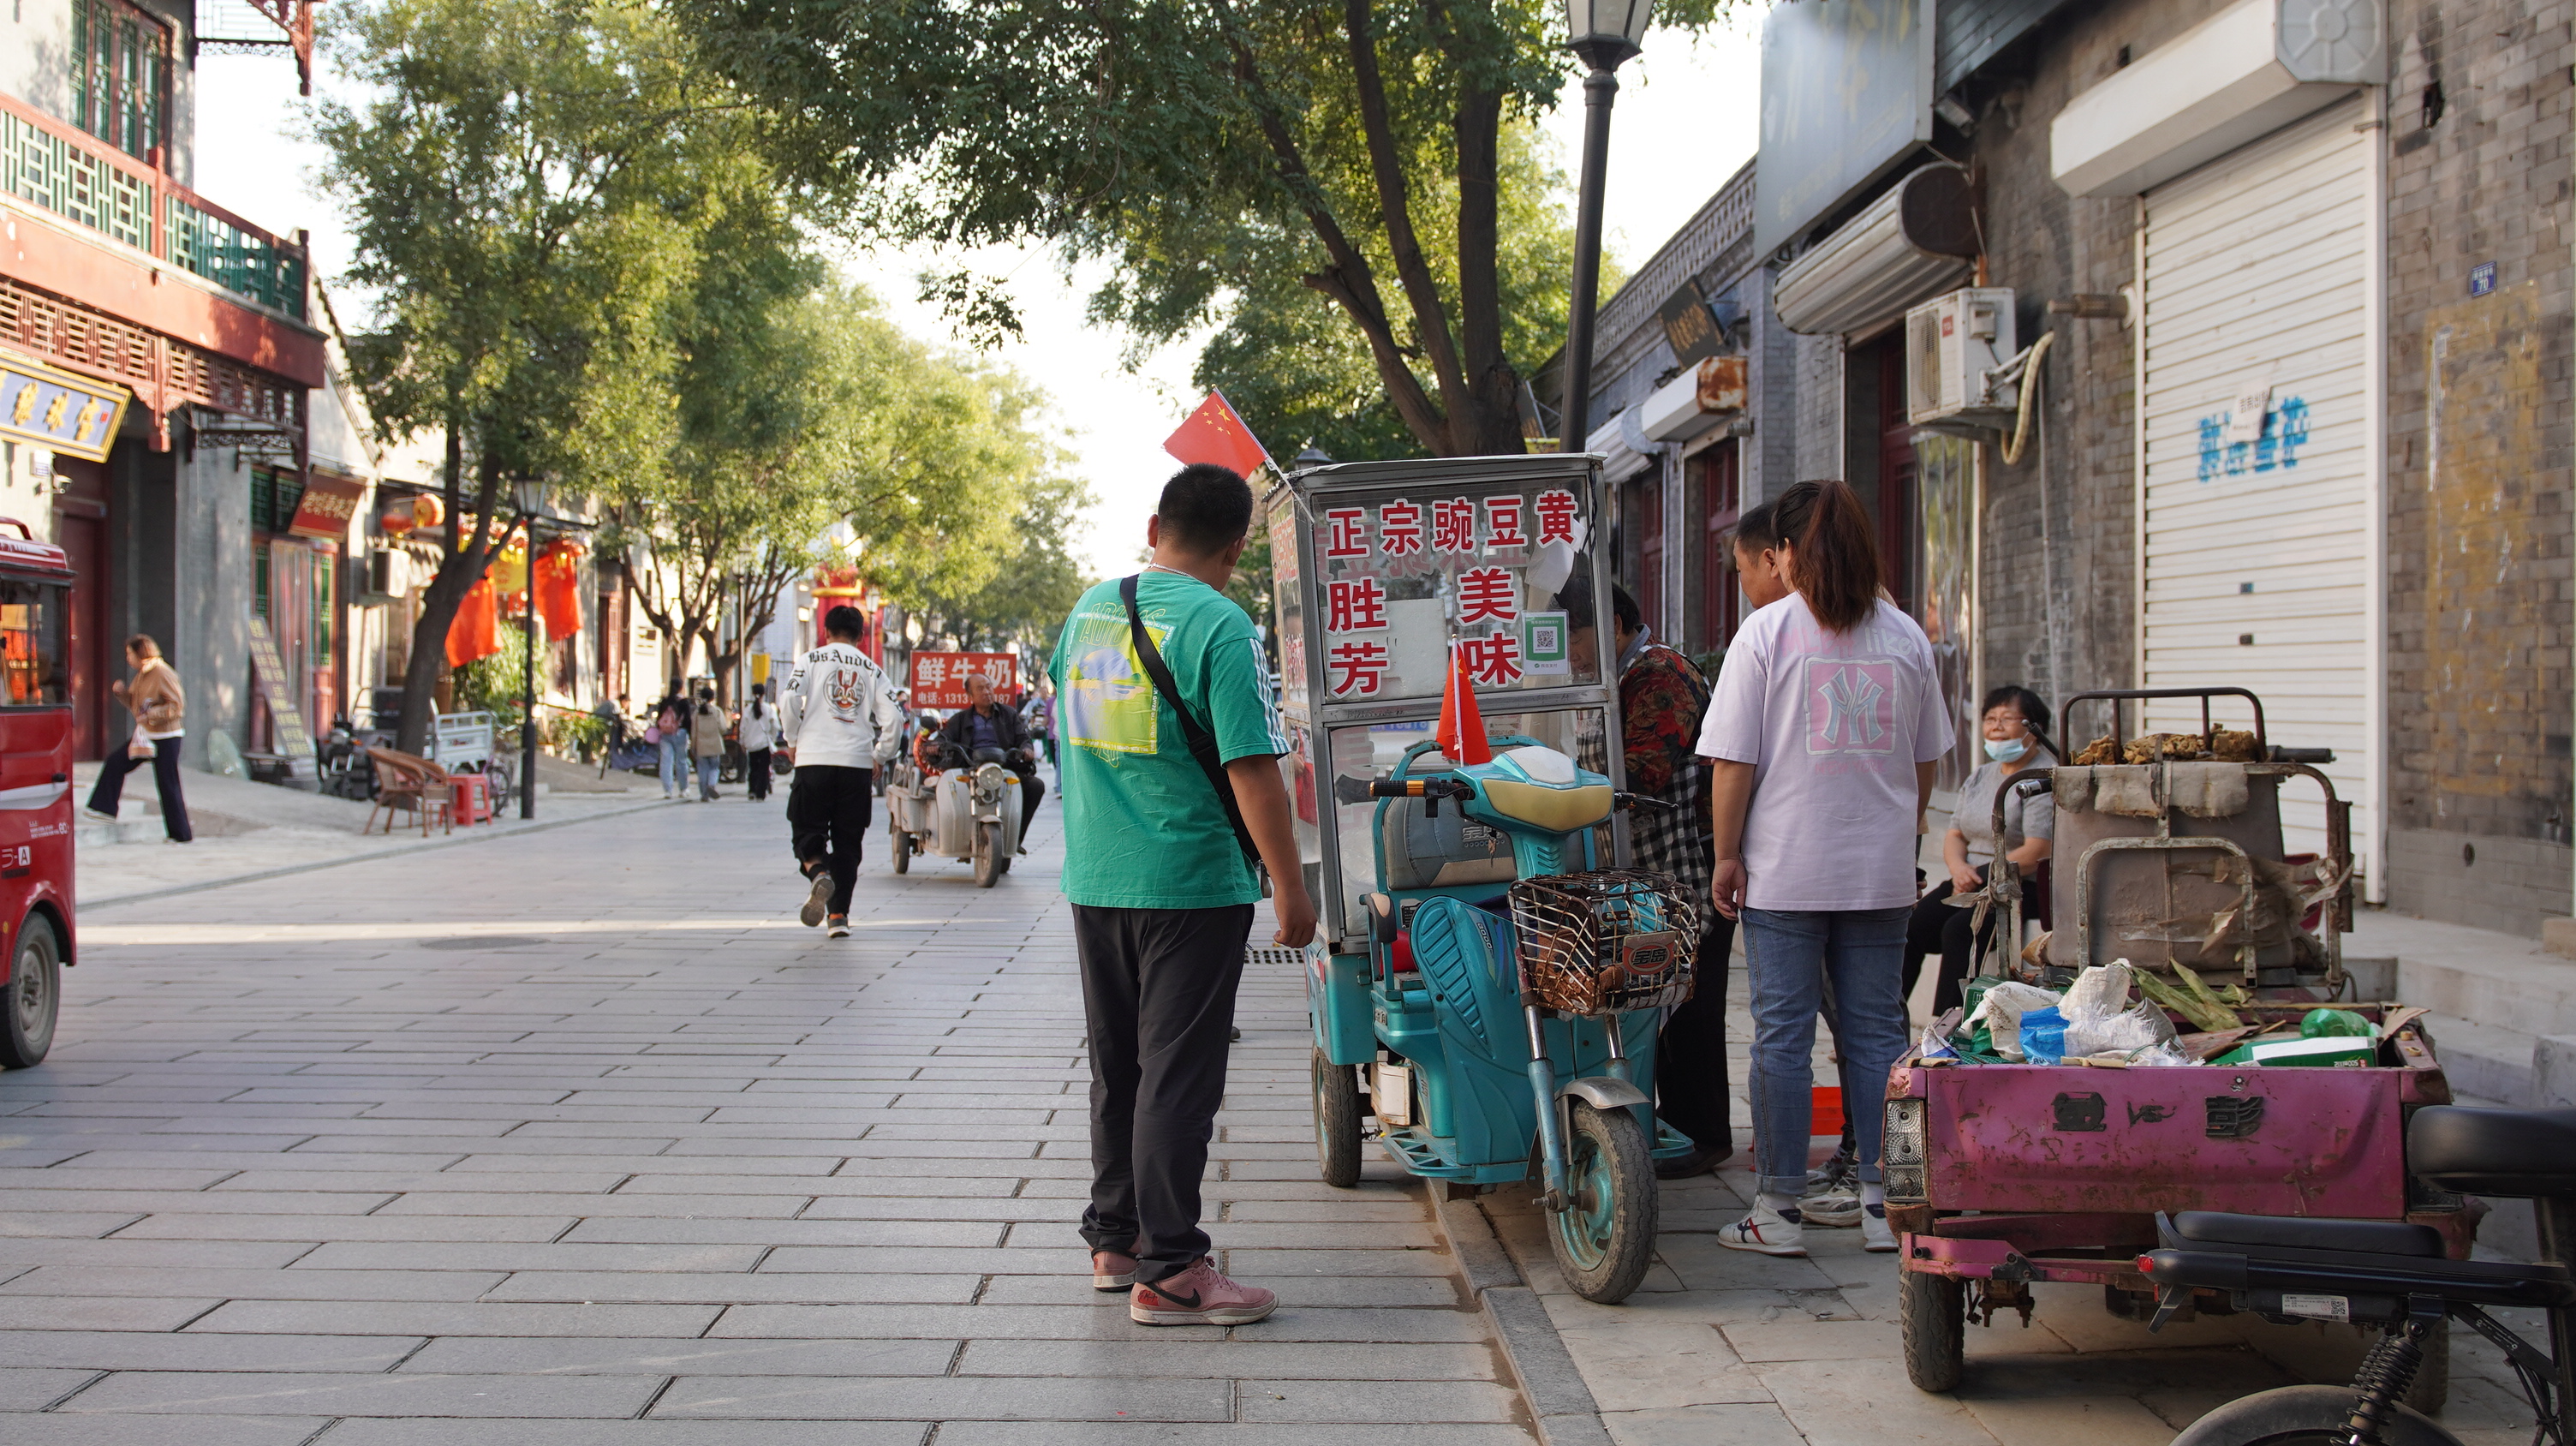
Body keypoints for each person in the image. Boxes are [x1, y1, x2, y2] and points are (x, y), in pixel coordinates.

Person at [1050, 462, 1315, 1328]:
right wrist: (1290, 887)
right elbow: (1253, 773)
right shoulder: (1221, 625)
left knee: (1118, 1064)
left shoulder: (1088, 610)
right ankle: (1171, 1268)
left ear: (1153, 522)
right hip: (1189, 886)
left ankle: (1114, 1237)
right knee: (1177, 1075)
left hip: (1097, 878)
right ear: (1236, 546)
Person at [1699, 479, 1951, 1259]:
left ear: (1787, 555)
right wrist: (1894, 837)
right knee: (1881, 1033)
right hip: (1877, 873)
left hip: (1786, 867)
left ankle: (1777, 1211)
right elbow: (1927, 761)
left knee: (1782, 1036)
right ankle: (1889, 1205)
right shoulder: (1905, 637)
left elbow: (1733, 762)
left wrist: (1727, 853)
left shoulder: (1768, 633)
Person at [1562, 576, 1728, 1180]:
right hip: (1645, 866)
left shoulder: (1661, 675)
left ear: (1612, 623)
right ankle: (1669, 1124)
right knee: (1657, 995)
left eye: (1575, 636)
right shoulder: (1613, 680)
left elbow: (1645, 772)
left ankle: (1703, 1134)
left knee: (1691, 1004)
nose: (1571, 653)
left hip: (1689, 862)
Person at [1905, 686, 2055, 1015]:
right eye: (1990, 719)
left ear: (2034, 727)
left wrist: (1979, 876)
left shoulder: (2042, 777)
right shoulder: (1981, 775)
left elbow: (2036, 850)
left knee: (1959, 930)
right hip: (1972, 880)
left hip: (2019, 884)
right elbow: (1956, 834)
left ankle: (1950, 1025)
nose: (1996, 727)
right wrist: (1959, 869)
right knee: (1911, 926)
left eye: (2007, 718)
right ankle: (1885, 1024)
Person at [780, 606, 905, 938]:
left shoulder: (809, 660)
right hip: (856, 764)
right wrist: (881, 755)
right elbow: (894, 718)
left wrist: (793, 739)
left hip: (814, 760)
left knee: (806, 829)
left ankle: (818, 871)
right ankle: (838, 916)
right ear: (861, 637)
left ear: (826, 631)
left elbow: (790, 699)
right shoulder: (873, 669)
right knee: (849, 841)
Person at [83, 634, 191, 843]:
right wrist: (122, 694)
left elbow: (177, 706)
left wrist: (152, 715)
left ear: (140, 653)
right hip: (145, 735)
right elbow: (136, 703)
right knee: (116, 763)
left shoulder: (162, 673)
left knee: (167, 784)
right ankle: (103, 809)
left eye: (129, 654)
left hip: (166, 737)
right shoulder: (142, 674)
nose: (127, 659)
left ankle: (181, 834)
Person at [935, 671, 1045, 846]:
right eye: (980, 689)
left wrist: (1027, 748)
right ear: (970, 695)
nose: (986, 692)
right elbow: (944, 737)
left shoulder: (1008, 714)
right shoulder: (960, 719)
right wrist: (937, 745)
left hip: (1005, 767)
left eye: (988, 687)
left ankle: (1015, 839)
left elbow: (1023, 738)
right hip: (970, 768)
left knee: (1035, 786)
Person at [738, 684, 778, 802]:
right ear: (764, 694)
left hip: (751, 743)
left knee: (753, 768)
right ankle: (761, 793)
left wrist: (742, 742)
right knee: (764, 768)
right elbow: (775, 725)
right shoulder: (768, 708)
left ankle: (752, 790)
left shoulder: (747, 710)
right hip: (764, 743)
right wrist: (772, 737)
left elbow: (743, 728)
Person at [688, 686, 730, 801]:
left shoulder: (697, 713)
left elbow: (694, 732)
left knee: (702, 770)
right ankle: (711, 784)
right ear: (713, 698)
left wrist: (693, 745)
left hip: (701, 745)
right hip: (715, 744)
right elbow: (722, 728)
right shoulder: (716, 711)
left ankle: (704, 794)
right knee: (714, 768)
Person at [650, 680, 689, 801]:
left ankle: (667, 790)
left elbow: (658, 718)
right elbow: (688, 720)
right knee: (681, 761)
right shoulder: (683, 702)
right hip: (680, 733)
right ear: (681, 687)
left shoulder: (665, 701)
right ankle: (683, 789)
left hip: (665, 734)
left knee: (666, 762)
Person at [1023, 684, 1058, 767]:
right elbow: (1032, 714)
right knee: (1037, 742)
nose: (1044, 693)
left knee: (1047, 744)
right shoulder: (1036, 702)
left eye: (1045, 692)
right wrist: (1032, 724)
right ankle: (1037, 756)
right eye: (1042, 692)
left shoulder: (1050, 701)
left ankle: (1049, 760)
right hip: (1037, 726)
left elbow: (1048, 716)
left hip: (1047, 727)